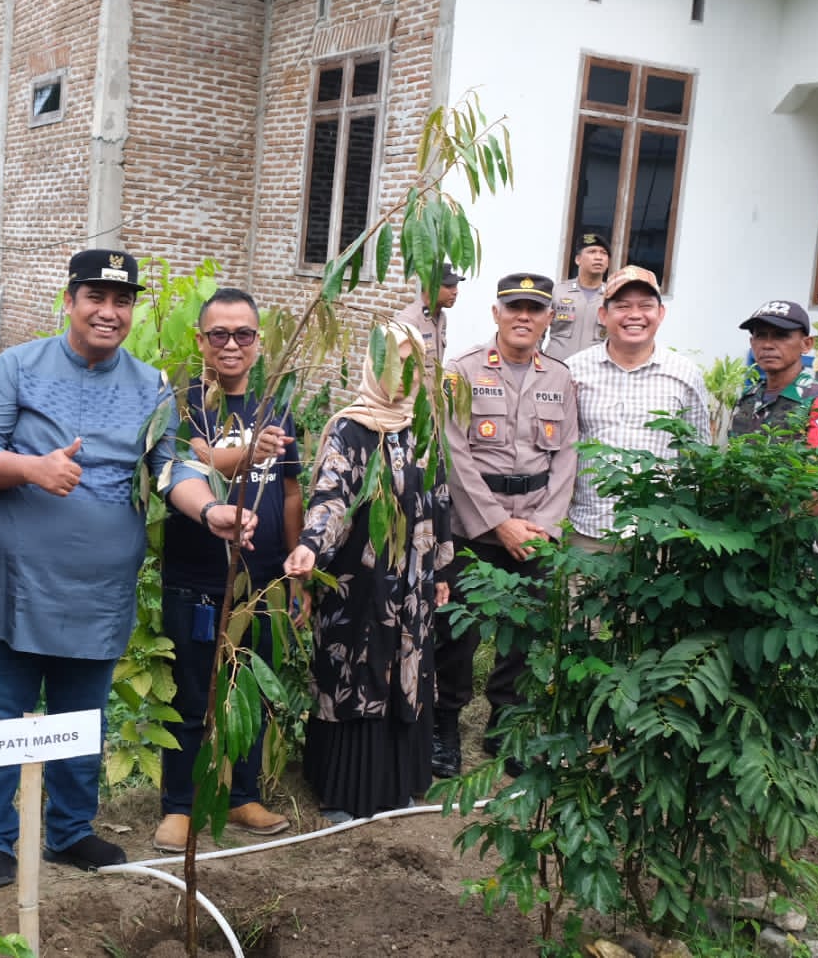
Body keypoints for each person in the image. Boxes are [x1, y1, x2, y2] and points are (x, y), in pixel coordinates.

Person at [0, 249, 254, 891]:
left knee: (79, 717)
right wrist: (32, 467)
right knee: (0, 714)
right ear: (70, 300)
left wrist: (212, 514)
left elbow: (170, 468)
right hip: (15, 585)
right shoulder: (19, 367)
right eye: (96, 296)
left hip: (98, 593)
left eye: (121, 301)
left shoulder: (149, 386)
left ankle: (68, 831)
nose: (108, 311)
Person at [283, 321, 453, 821]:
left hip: (415, 581)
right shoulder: (351, 427)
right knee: (357, 669)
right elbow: (331, 498)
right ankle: (345, 789)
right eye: (389, 362)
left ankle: (397, 782)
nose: (399, 376)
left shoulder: (424, 425)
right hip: (361, 583)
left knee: (408, 668)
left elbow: (441, 499)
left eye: (409, 364)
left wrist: (442, 570)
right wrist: (312, 548)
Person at [154, 288, 299, 852]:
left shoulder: (276, 407)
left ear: (259, 343)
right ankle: (179, 805)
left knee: (249, 692)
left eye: (244, 335)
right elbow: (193, 462)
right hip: (197, 581)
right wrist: (251, 453)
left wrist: (295, 565)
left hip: (263, 585)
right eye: (220, 334)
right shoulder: (184, 404)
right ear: (201, 340)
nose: (232, 345)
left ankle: (241, 796)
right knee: (193, 696)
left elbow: (289, 492)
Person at [435, 274, 578, 778]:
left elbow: (567, 459)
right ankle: (445, 726)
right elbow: (453, 455)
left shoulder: (560, 377)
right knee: (458, 635)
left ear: (548, 319)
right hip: (474, 529)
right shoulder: (463, 371)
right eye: (514, 307)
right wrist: (499, 524)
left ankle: (505, 726)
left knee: (523, 633)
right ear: (496, 313)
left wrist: (543, 527)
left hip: (537, 530)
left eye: (534, 310)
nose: (524, 317)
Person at [565, 265, 710, 546]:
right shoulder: (574, 370)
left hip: (658, 536)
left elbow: (696, 457)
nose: (634, 315)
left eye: (646, 306)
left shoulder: (685, 374)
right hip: (587, 532)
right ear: (603, 314)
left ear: (661, 313)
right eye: (622, 306)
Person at [728, 299, 818, 450]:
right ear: (751, 342)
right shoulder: (747, 398)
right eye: (760, 335)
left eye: (781, 336)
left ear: (806, 344)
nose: (767, 345)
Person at [544, 231, 610, 361]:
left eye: (604, 253)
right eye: (592, 252)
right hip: (555, 368)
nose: (599, 257)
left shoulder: (613, 296)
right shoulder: (557, 291)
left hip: (594, 372)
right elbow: (537, 331)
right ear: (578, 259)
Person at [395, 264, 462, 368]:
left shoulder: (441, 317)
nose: (455, 291)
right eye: (449, 286)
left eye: (456, 285)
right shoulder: (409, 321)